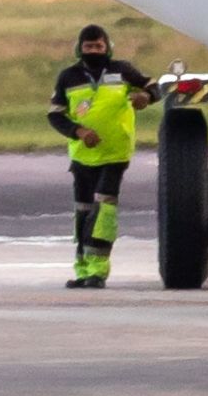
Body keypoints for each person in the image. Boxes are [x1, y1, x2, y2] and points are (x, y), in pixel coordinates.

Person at [49, 25, 141, 289]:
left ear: (108, 47)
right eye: (89, 47)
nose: (94, 52)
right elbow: (55, 114)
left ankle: (98, 271)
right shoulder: (68, 77)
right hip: (82, 157)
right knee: (83, 213)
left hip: (114, 155)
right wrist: (78, 131)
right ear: (80, 49)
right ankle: (82, 270)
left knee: (103, 213)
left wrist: (145, 96)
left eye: (99, 47)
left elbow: (153, 87)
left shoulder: (122, 71)